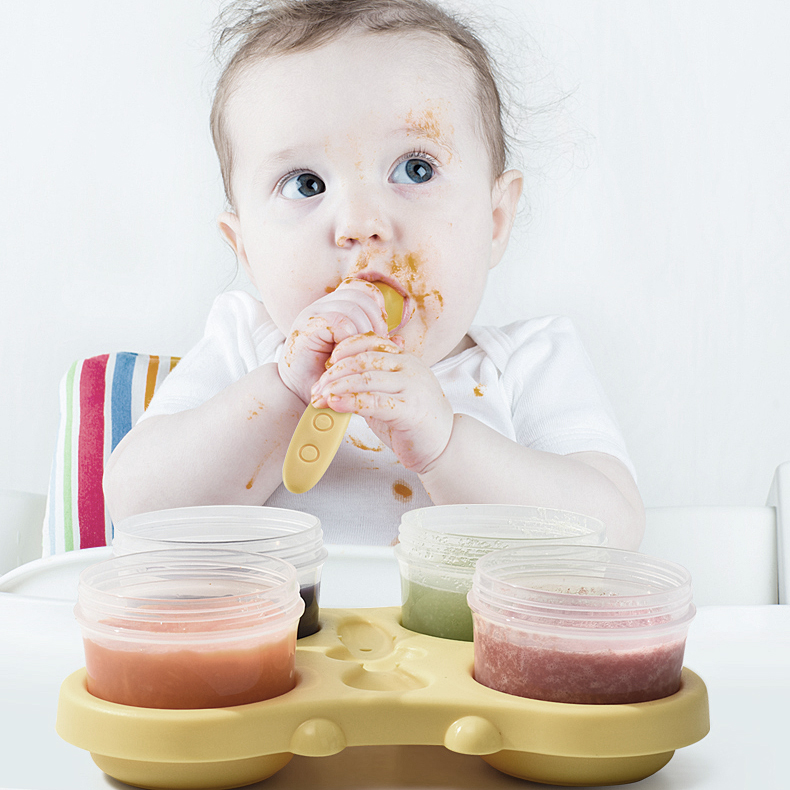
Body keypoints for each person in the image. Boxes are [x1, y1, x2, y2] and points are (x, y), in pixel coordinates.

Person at [103, 0, 645, 549]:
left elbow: (613, 535)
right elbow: (137, 510)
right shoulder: (245, 348)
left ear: (496, 221)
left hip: (465, 638)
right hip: (283, 636)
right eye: (306, 184)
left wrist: (445, 445)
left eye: (416, 169)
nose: (362, 225)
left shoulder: (528, 365)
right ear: (245, 249)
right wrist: (285, 393)